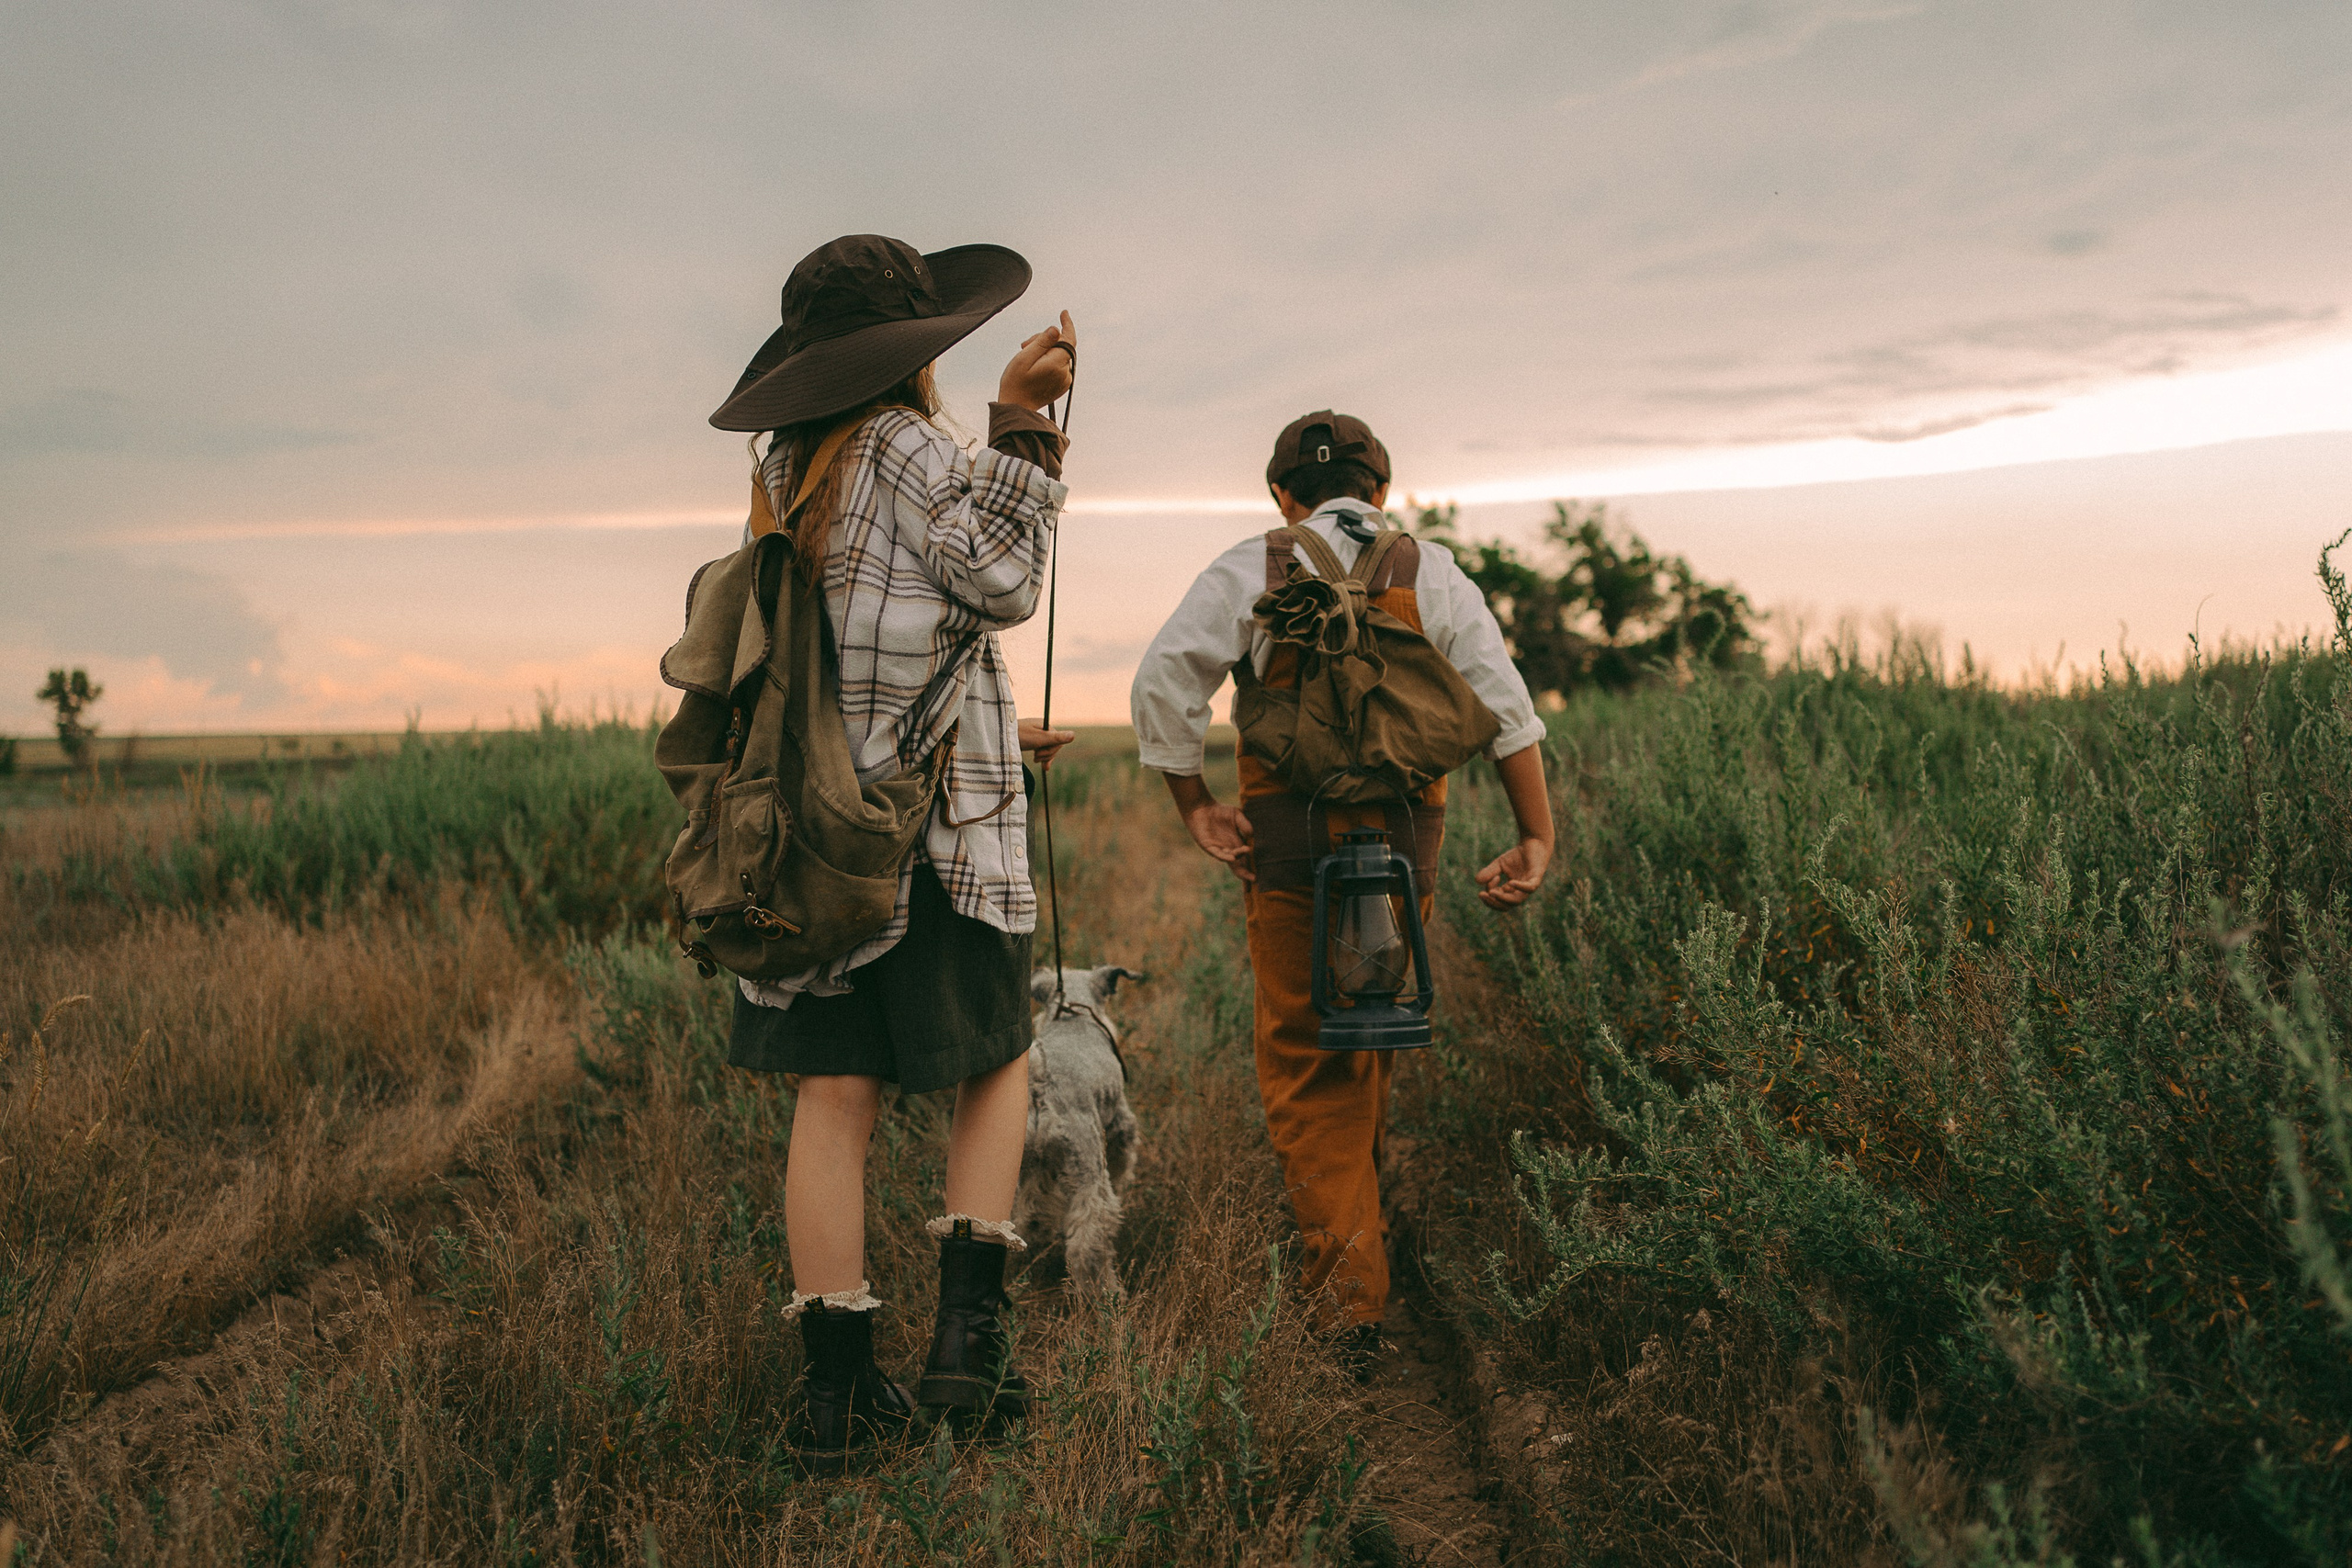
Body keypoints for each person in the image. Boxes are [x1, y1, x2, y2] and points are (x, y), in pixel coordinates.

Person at [706, 233, 1077, 1469]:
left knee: (835, 1096)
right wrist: (1023, 427)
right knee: (998, 1059)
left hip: (809, 833)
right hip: (934, 831)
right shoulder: (912, 447)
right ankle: (969, 1353)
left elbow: (862, 646)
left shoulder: (788, 465)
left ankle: (838, 1399)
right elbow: (1006, 579)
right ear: (913, 354)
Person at [1129, 411, 1554, 1372]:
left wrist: (1196, 806)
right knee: (1375, 1028)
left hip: (1290, 851)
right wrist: (1536, 834)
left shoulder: (1255, 564)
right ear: (1383, 489)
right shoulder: (1427, 570)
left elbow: (1164, 682)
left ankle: (1345, 1296)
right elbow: (1507, 711)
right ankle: (1355, 1229)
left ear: (1282, 496)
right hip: (1408, 849)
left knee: (1304, 1051)